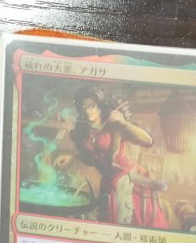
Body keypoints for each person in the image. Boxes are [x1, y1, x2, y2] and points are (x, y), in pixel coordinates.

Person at [68, 86, 168, 227]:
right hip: (108, 181)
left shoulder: (114, 126)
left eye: (91, 106)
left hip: (128, 179)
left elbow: (148, 141)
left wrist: (124, 123)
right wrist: (72, 157)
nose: (87, 111)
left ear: (100, 106)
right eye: (83, 107)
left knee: (127, 222)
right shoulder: (83, 131)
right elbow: (92, 160)